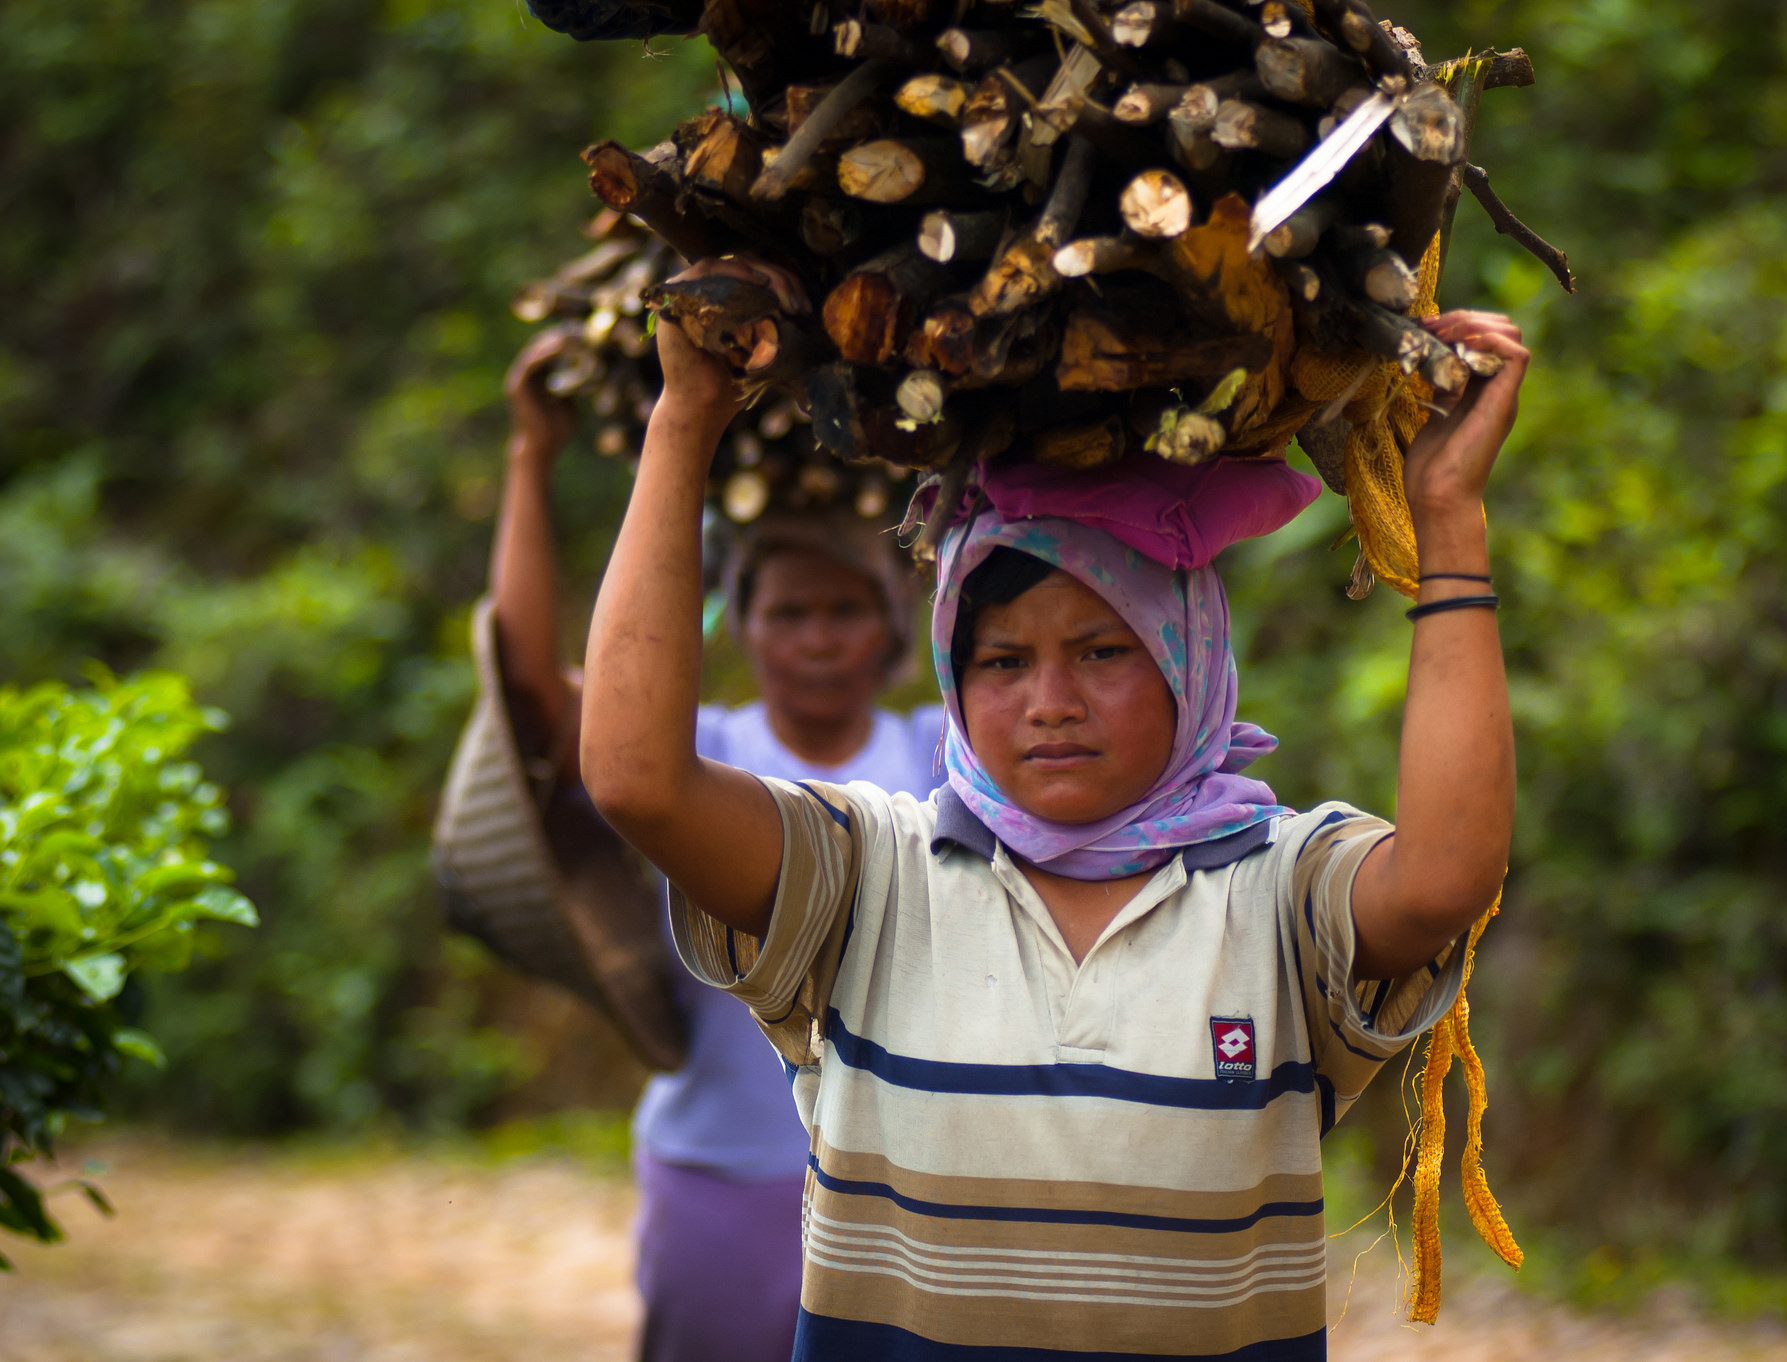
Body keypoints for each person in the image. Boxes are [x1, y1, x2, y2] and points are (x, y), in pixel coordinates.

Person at [581, 256, 1526, 1361]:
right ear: (947, 673)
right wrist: (683, 419)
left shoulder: (1277, 890)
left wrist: (1447, 515)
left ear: (1190, 658)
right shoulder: (870, 879)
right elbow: (636, 782)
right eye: (999, 661)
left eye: (1101, 650)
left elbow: (1446, 877)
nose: (1049, 705)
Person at [488, 330, 945, 1362]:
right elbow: (525, 692)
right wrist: (530, 458)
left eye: (844, 610)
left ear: (887, 628)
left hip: (904, 1179)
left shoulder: (936, 756)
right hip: (717, 1173)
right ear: (740, 625)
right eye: (789, 613)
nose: (818, 638)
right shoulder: (693, 756)